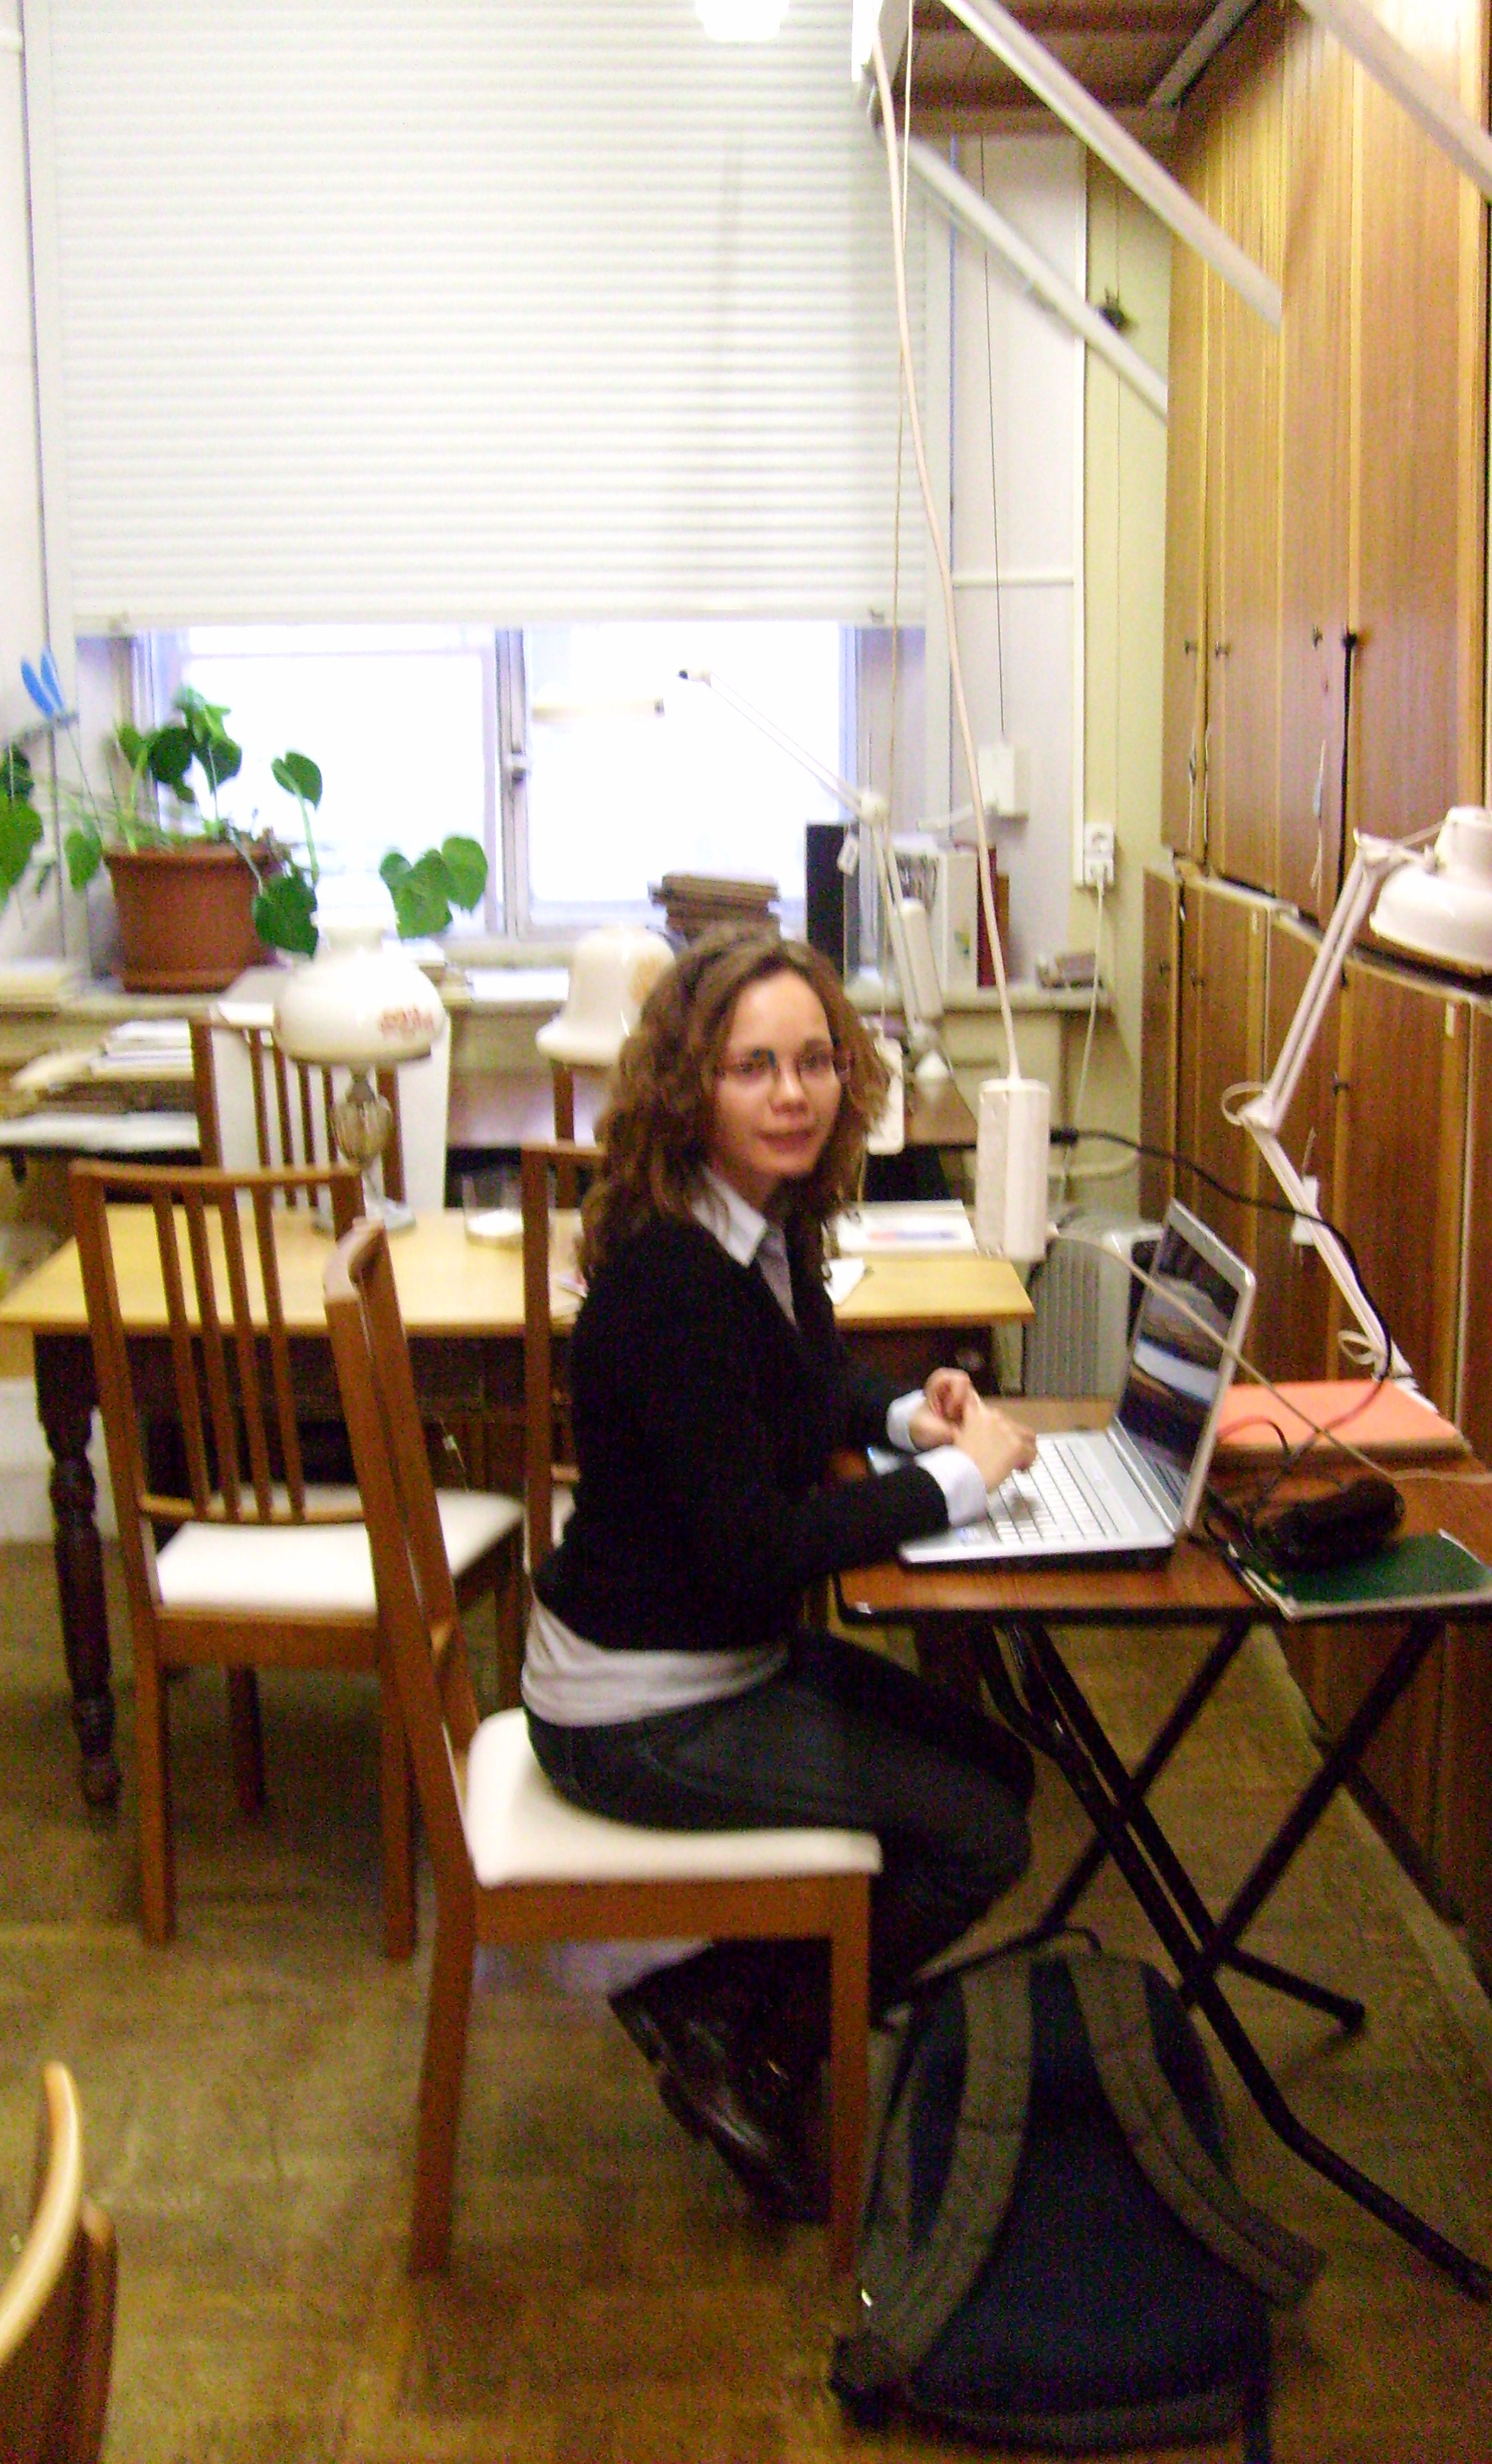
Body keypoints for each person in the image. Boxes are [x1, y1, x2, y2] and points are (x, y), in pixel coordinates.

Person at [522, 926, 1040, 2223]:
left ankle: (717, 2006)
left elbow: (807, 1380)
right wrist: (962, 1484)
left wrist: (908, 1418)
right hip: (636, 1711)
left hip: (715, 1659)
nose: (793, 1094)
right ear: (689, 1085)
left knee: (1003, 1769)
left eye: (815, 1061)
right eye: (754, 1067)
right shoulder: (671, 1280)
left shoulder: (757, 1227)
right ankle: (751, 2041)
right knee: (981, 1833)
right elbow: (756, 1546)